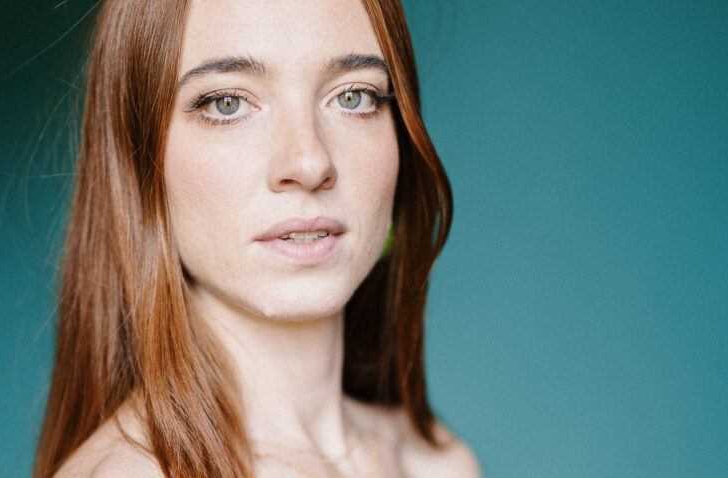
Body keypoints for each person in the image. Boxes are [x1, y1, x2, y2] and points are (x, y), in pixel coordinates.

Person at [33, 0, 480, 476]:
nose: (310, 163)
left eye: (353, 96)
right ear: (138, 159)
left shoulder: (438, 465)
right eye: (227, 103)